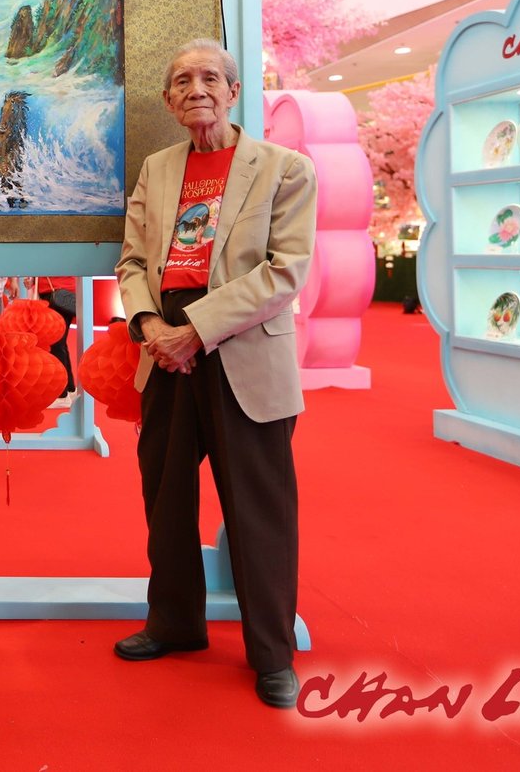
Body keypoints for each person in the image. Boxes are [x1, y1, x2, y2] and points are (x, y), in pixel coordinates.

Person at [112, 38, 316, 710]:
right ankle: (175, 622)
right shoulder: (158, 169)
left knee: (259, 508)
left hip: (242, 347)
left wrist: (197, 330)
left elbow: (285, 271)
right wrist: (151, 327)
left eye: (208, 78)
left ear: (233, 91)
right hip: (164, 350)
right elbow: (132, 262)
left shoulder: (286, 169)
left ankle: (271, 653)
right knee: (166, 498)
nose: (195, 89)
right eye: (181, 81)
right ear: (169, 100)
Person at [36, 276, 78, 406]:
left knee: (56, 344)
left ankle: (61, 394)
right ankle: (69, 388)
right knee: (60, 343)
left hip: (56, 292)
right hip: (61, 292)